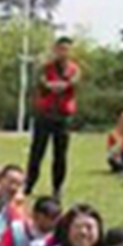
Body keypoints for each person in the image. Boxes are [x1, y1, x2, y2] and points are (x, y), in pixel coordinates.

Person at [24, 36, 79, 199]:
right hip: (45, 115)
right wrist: (55, 86)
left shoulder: (74, 69)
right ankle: (29, 183)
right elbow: (41, 84)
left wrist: (59, 85)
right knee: (37, 151)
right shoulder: (45, 68)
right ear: (55, 50)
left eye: (66, 49)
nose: (63, 52)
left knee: (60, 155)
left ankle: (57, 187)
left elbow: (73, 83)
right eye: (60, 49)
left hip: (63, 118)